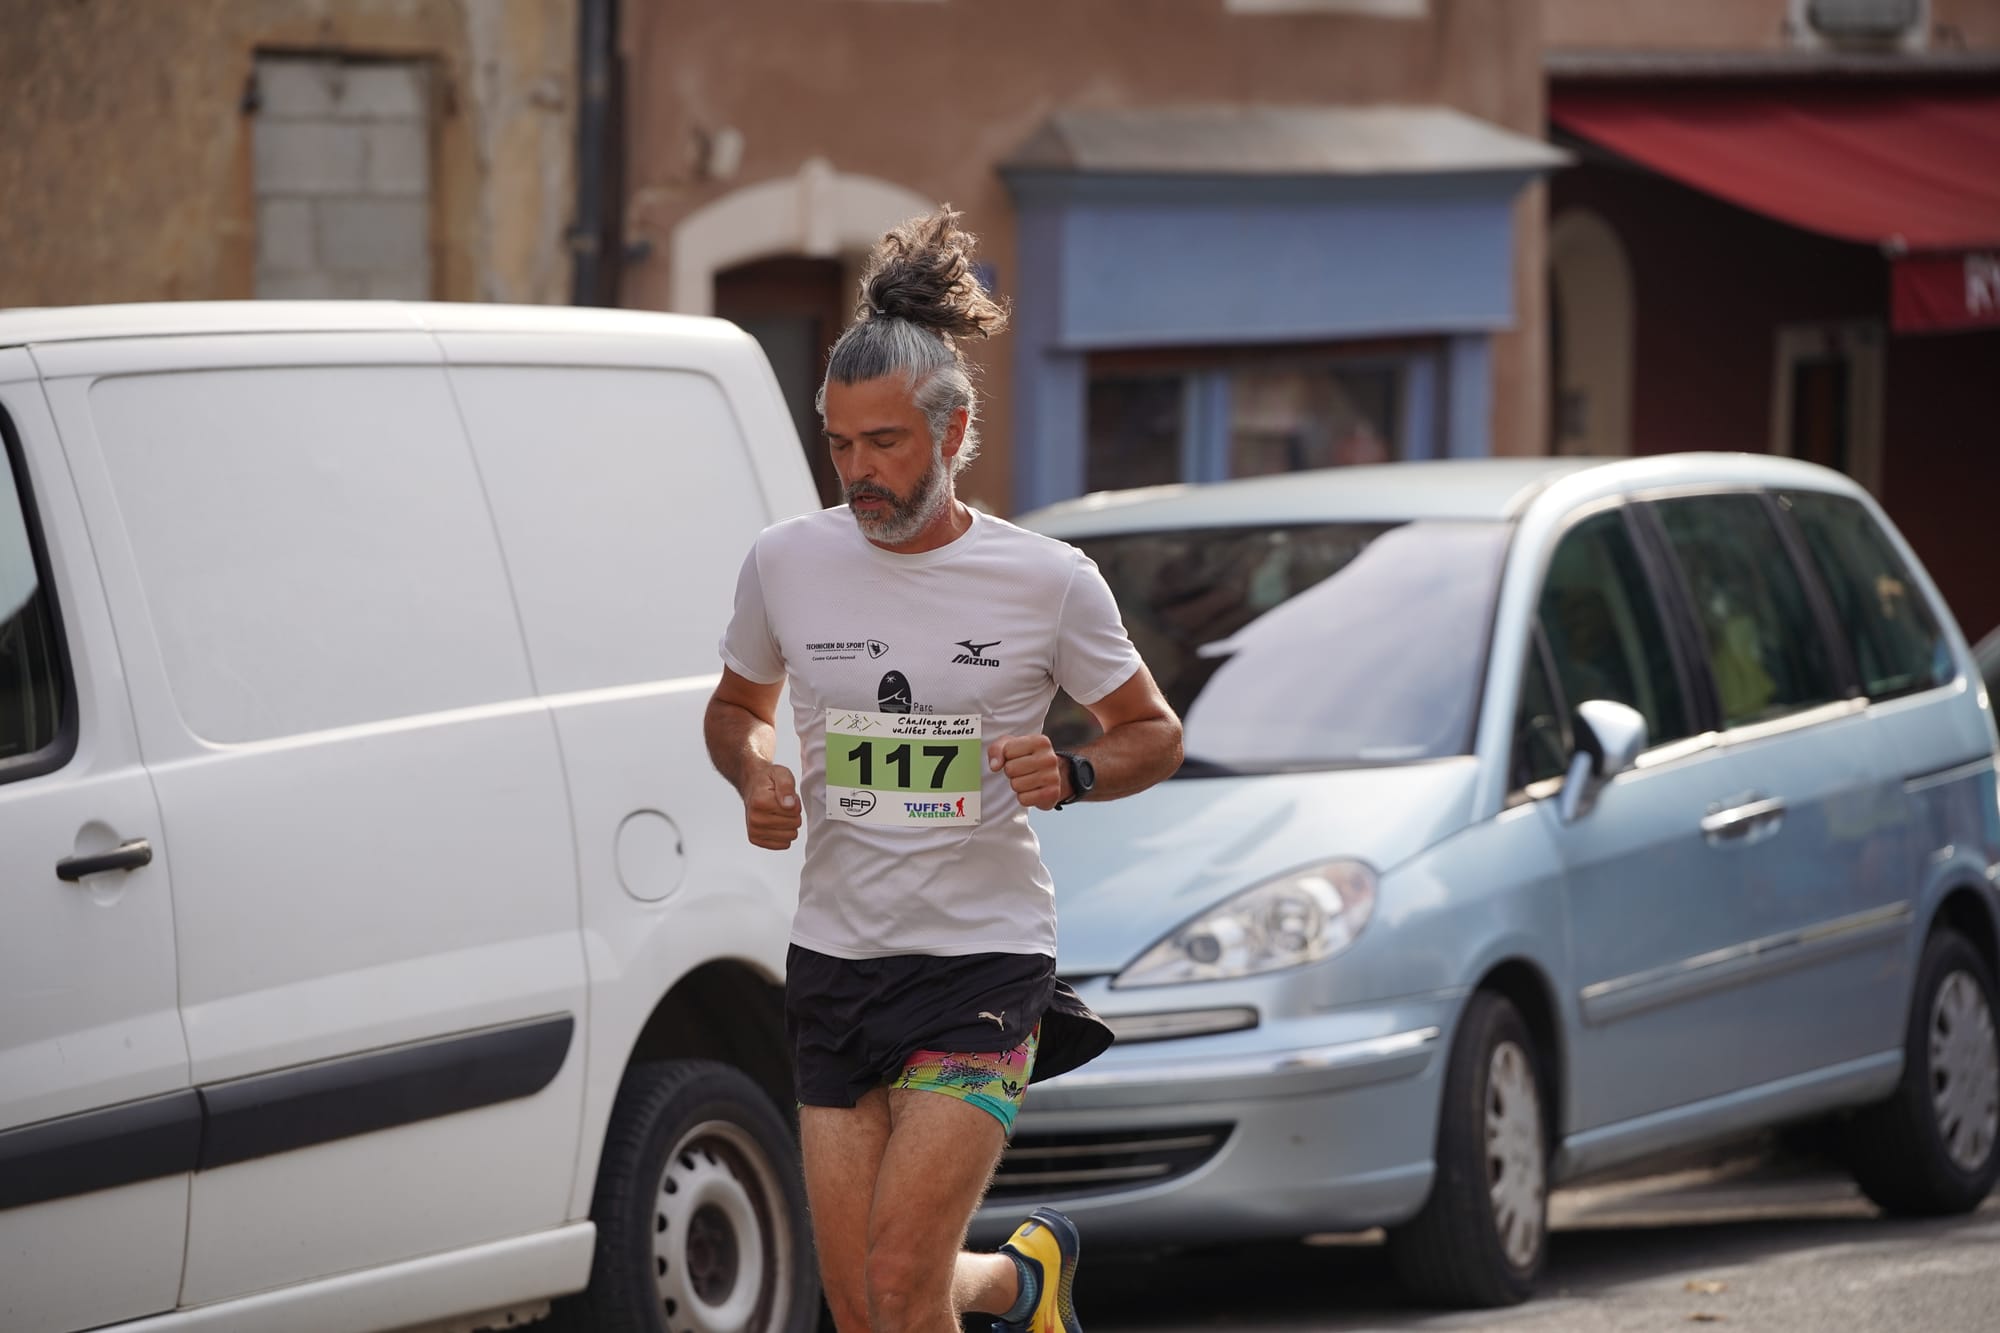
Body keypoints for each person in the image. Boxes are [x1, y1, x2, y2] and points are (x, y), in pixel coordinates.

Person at [705, 207, 1183, 1333]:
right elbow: (735, 709)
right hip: (834, 959)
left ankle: (1000, 1285)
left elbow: (1151, 730)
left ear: (951, 427)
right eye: (839, 444)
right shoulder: (785, 563)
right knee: (860, 1302)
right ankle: (1022, 1282)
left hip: (980, 961)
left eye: (885, 444)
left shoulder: (1046, 580)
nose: (858, 472)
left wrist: (1071, 769)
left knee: (902, 1282)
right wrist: (753, 772)